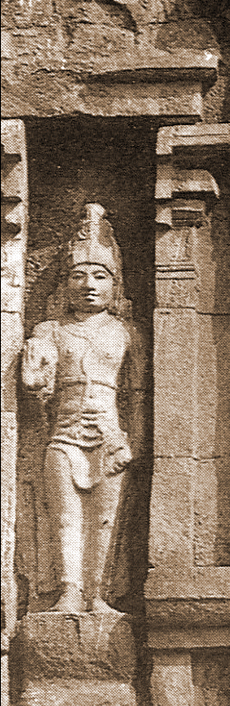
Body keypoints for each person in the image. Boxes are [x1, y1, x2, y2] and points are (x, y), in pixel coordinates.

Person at [21, 205, 137, 614]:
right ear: (65, 283)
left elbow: (136, 394)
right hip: (64, 435)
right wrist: (35, 374)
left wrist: (131, 441)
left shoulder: (125, 332)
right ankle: (69, 590)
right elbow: (37, 387)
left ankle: (98, 594)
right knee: (66, 518)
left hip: (110, 436)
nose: (89, 285)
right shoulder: (50, 330)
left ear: (114, 284)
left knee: (107, 519)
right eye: (78, 275)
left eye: (100, 276)